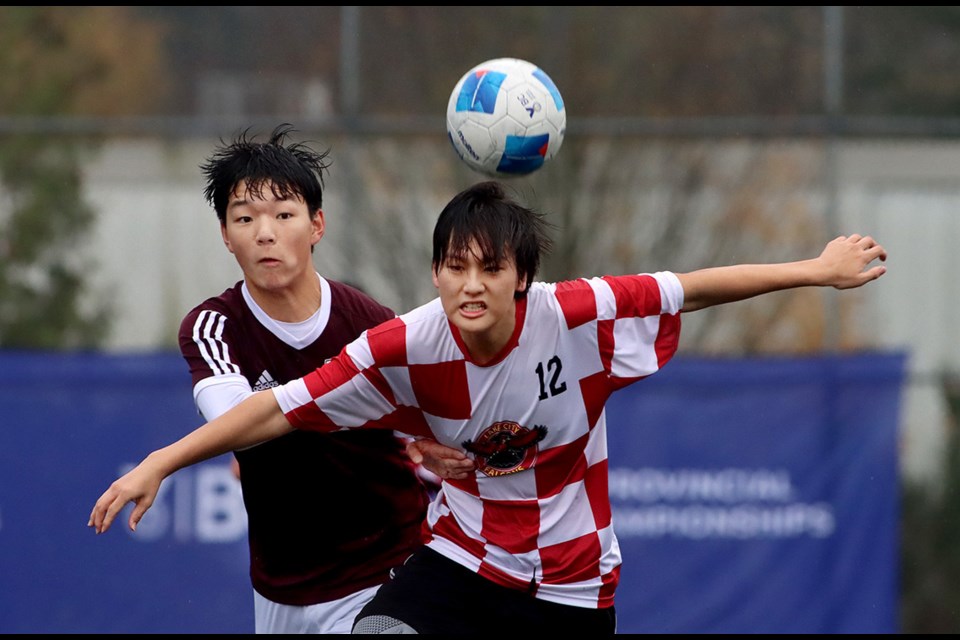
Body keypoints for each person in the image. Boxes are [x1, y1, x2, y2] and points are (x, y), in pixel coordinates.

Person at [90, 180, 888, 634]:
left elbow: (697, 285)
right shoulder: (403, 344)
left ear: (521, 277)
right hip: (464, 558)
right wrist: (161, 460)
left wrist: (816, 269)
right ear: (434, 274)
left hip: (574, 581)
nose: (469, 285)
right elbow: (274, 411)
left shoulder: (577, 316)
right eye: (452, 267)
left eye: (489, 268)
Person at [168, 124, 473, 634]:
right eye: (245, 218)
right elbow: (241, 423)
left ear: (316, 225)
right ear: (226, 234)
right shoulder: (213, 327)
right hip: (281, 587)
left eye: (285, 215)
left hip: (385, 570)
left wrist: (428, 439)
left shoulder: (372, 324)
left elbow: (431, 416)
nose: (265, 233)